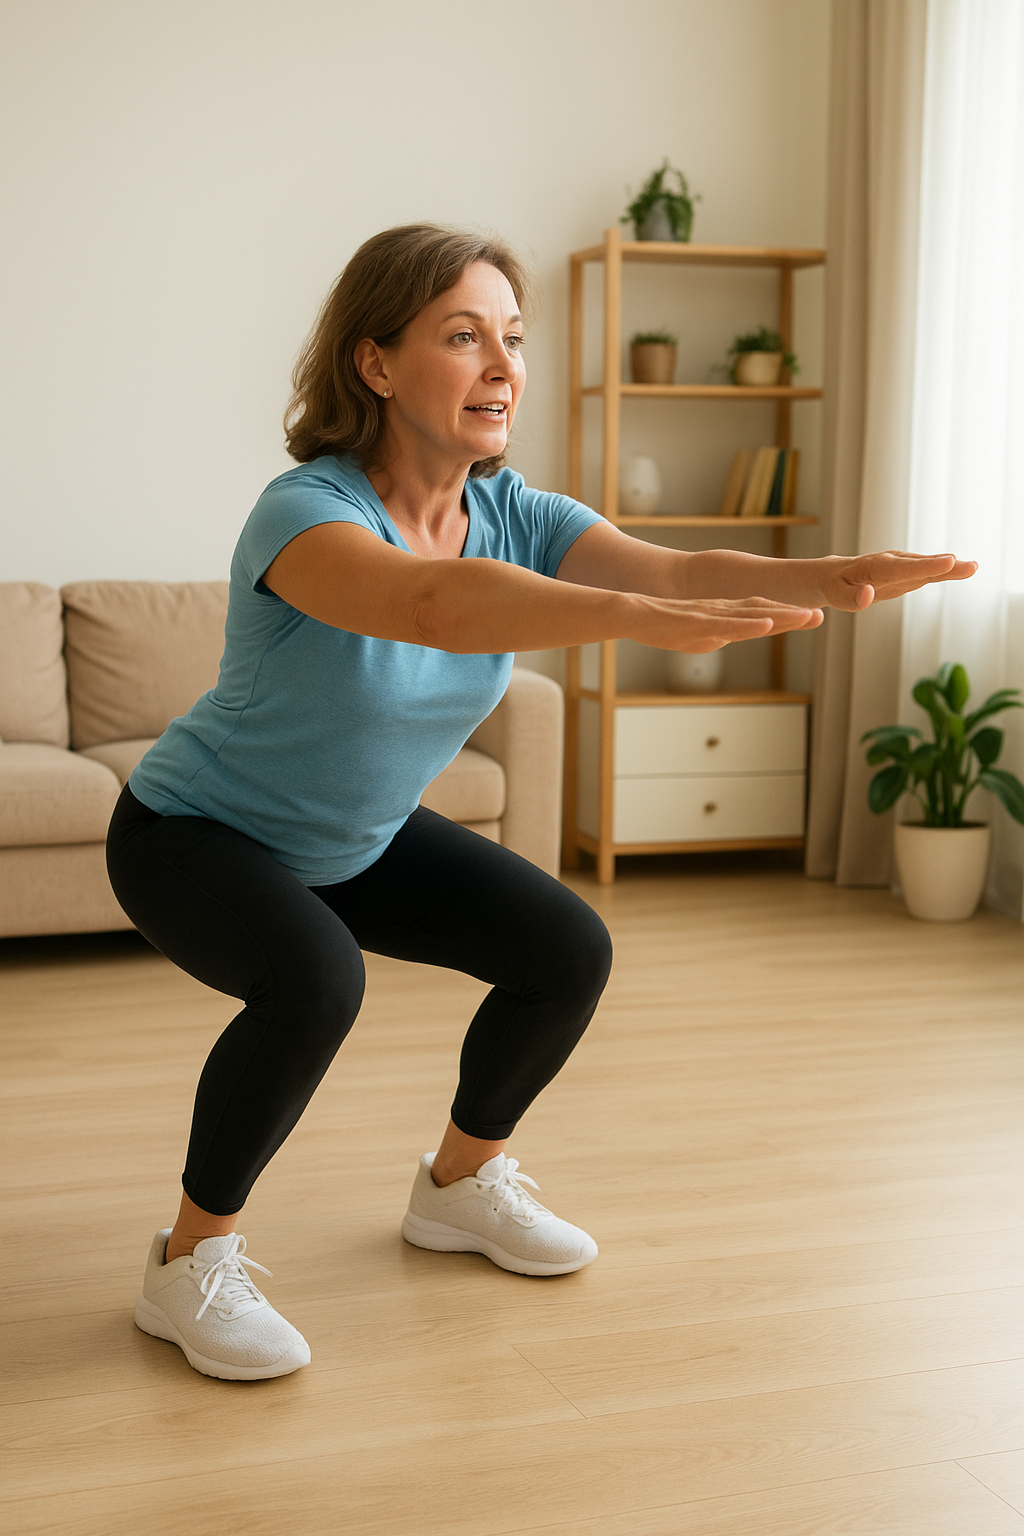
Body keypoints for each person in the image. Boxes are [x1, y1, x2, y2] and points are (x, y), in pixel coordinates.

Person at [105, 223, 975, 1382]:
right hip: (193, 832)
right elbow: (431, 604)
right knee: (316, 978)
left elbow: (674, 571)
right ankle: (187, 1261)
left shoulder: (522, 513)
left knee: (565, 949)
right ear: (375, 363)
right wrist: (629, 618)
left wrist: (824, 574)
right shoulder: (304, 511)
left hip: (354, 838)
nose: (503, 366)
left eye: (512, 339)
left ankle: (459, 1184)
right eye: (463, 336)